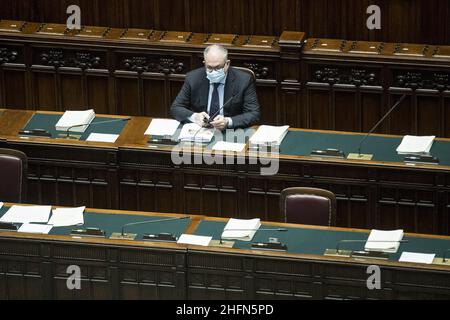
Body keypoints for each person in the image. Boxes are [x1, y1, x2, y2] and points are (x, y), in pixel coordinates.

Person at [170, 44, 260, 130]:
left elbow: (254, 114)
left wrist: (228, 122)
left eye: (218, 68)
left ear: (227, 64)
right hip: (201, 131)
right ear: (204, 63)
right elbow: (176, 108)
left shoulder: (243, 80)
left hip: (230, 132)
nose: (213, 72)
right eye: (209, 67)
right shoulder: (193, 78)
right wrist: (195, 117)